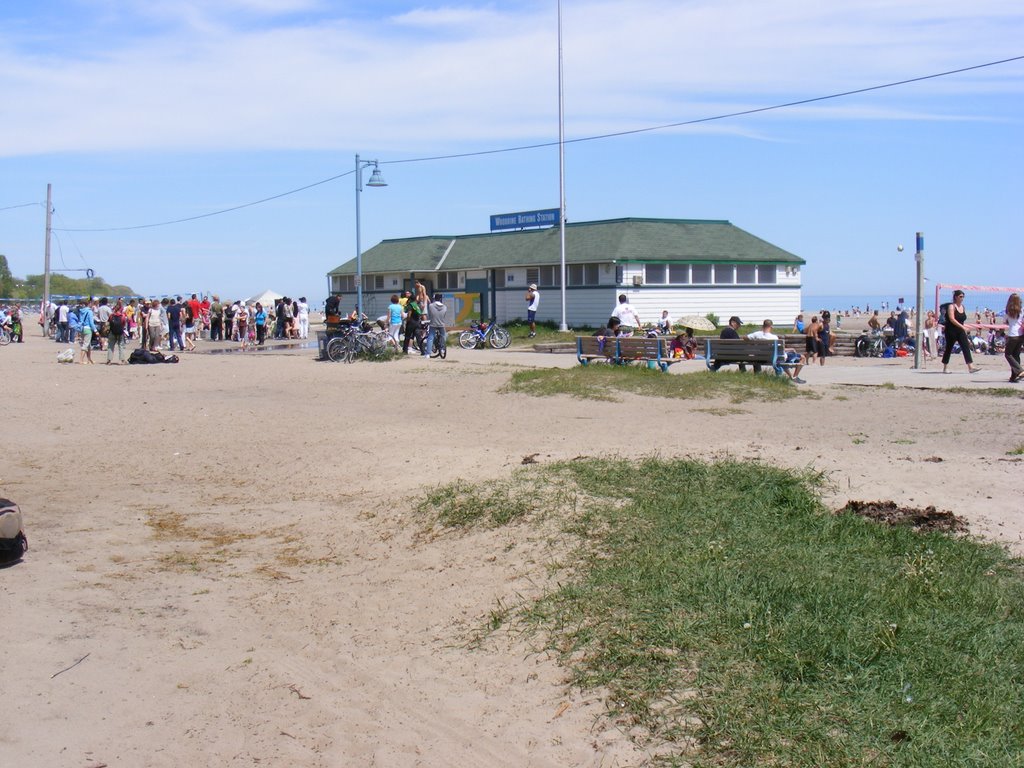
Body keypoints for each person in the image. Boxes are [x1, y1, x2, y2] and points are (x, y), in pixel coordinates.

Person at [942, 290, 981, 374]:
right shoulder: (951, 307)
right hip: (951, 330)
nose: (962, 298)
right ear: (956, 297)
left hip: (960, 331)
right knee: (949, 348)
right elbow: (952, 319)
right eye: (960, 296)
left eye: (963, 297)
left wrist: (963, 327)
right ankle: (945, 367)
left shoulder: (962, 307)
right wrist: (962, 326)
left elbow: (961, 319)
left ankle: (970, 366)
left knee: (965, 346)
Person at [1004, 293, 1022, 383]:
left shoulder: (1008, 311)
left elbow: (1005, 322)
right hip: (1021, 335)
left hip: (1013, 334)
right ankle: (1014, 376)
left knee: (1008, 354)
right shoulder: (1022, 310)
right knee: (1016, 355)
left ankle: (1019, 370)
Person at [423, 293, 447, 358]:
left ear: (434, 298)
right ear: (441, 299)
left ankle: (428, 353)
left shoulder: (431, 306)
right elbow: (444, 315)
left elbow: (430, 315)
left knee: (430, 338)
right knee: (443, 336)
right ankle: (442, 349)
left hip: (433, 324)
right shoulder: (445, 307)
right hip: (441, 324)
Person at [78, 299, 97, 364]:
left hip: (82, 328)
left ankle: (89, 359)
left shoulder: (81, 311)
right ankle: (81, 360)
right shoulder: (89, 311)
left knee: (88, 345)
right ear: (89, 304)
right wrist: (95, 330)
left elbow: (80, 321)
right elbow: (91, 323)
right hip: (88, 329)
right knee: (85, 345)